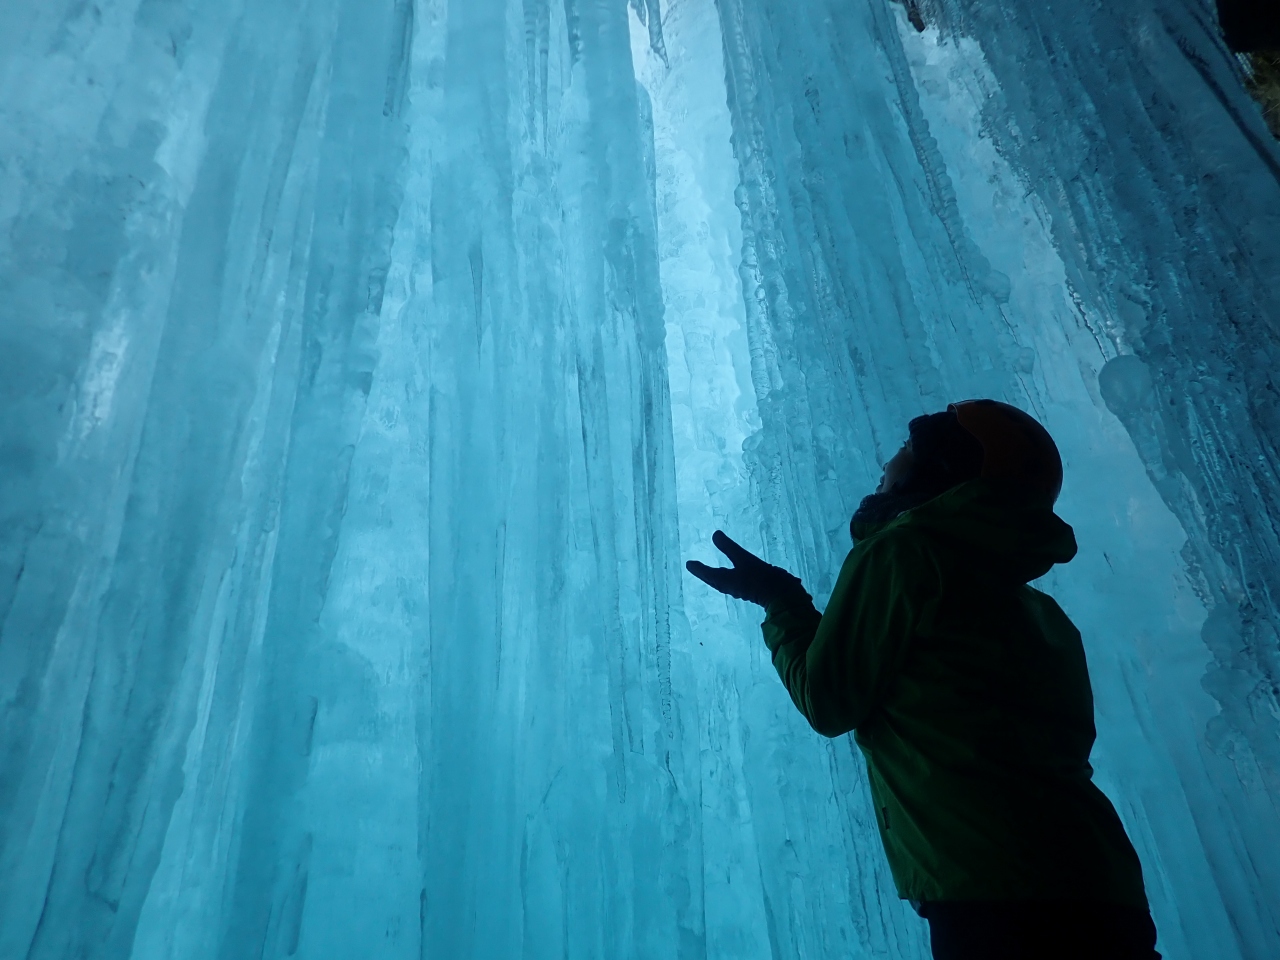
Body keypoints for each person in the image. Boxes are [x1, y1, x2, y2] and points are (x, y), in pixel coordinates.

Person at [686, 400, 1160, 960]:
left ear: (941, 473)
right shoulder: (1042, 617)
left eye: (909, 448)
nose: (887, 462)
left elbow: (829, 700)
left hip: (992, 888)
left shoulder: (904, 552)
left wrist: (782, 603)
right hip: (1101, 885)